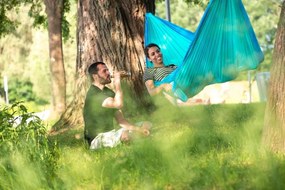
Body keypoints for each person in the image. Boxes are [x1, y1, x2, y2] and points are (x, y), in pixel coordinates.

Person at [83, 61, 151, 150]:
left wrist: (138, 129)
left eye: (107, 70)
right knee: (126, 134)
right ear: (95, 76)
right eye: (104, 71)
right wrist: (117, 82)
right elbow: (118, 104)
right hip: (97, 139)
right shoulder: (94, 94)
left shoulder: (108, 92)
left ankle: (139, 136)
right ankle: (138, 139)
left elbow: (121, 121)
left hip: (111, 134)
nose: (108, 73)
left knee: (147, 124)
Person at [143, 43, 209, 105]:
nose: (157, 54)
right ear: (149, 59)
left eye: (158, 51)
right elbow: (151, 92)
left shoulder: (173, 66)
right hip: (172, 91)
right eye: (153, 54)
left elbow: (184, 74)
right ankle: (189, 101)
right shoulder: (149, 71)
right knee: (172, 86)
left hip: (185, 84)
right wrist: (162, 86)